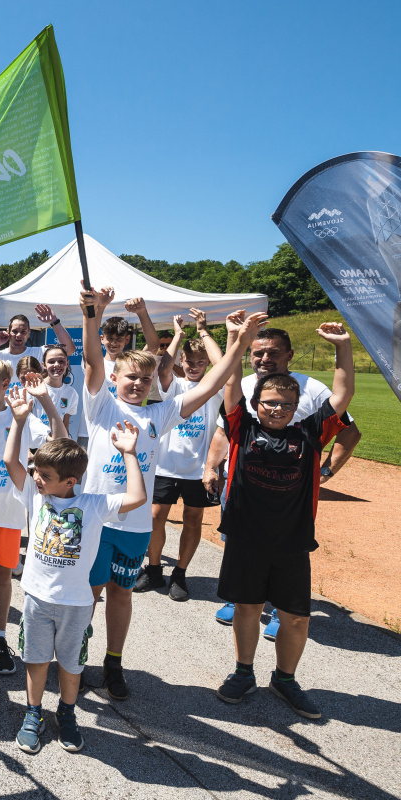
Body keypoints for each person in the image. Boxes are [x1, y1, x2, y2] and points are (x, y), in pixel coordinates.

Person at [79, 285, 262, 701]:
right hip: (97, 520)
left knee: (122, 595)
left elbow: (210, 385)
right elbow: (91, 359)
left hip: (133, 526)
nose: (139, 383)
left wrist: (239, 343)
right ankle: (76, 656)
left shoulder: (158, 414)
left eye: (146, 379)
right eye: (131, 377)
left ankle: (113, 662)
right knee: (88, 595)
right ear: (114, 378)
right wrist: (93, 313)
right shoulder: (101, 406)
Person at [213, 322, 354, 720]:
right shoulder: (241, 427)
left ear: (296, 408)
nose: (277, 409)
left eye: (286, 405)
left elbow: (342, 394)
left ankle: (285, 679)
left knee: (295, 618)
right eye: (269, 403)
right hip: (246, 536)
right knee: (247, 608)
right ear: (255, 403)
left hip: (292, 540)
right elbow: (230, 382)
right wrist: (235, 339)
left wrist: (343, 346)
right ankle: (243, 672)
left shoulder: (309, 432)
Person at [3, 389, 146, 754]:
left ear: (70, 481)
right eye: (36, 471)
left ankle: (67, 713)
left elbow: (137, 498)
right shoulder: (34, 495)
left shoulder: (93, 504)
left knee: (71, 664)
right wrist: (18, 422)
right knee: (36, 660)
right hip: (37, 600)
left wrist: (129, 453)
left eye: (45, 475)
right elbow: (9, 461)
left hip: (77, 604)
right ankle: (33, 713)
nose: (36, 478)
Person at [0, 364, 72, 676]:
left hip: (10, 510)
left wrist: (45, 400)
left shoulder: (21, 415)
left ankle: (0, 637)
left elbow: (61, 442)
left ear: (6, 383)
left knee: (4, 575)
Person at [135, 310, 223, 601]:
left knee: (192, 519)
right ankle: (154, 569)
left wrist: (203, 330)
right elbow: (163, 369)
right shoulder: (176, 385)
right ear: (182, 361)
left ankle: (180, 573)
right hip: (165, 464)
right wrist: (179, 336)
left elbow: (223, 364)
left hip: (199, 468)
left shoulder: (214, 388)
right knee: (155, 517)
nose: (195, 367)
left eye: (201, 362)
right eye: (190, 361)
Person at [0, 306, 76, 387]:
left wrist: (54, 322)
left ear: (29, 333)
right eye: (15, 331)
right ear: (8, 332)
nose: (19, 335)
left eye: (23, 332)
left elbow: (69, 350)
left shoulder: (39, 352)